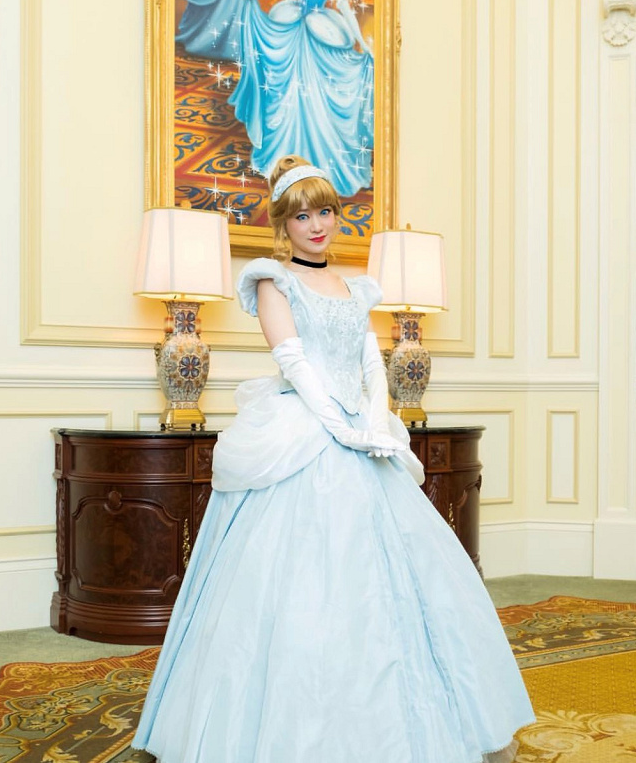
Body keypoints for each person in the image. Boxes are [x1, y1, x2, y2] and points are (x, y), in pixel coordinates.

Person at [131, 154, 535, 763]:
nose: (316, 225)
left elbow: (371, 361)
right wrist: (342, 429)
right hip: (306, 429)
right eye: (302, 216)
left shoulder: (354, 287)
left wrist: (375, 419)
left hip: (361, 430)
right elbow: (295, 364)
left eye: (325, 212)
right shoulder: (273, 281)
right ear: (283, 223)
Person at [228, 0, 374, 198]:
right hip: (296, 25)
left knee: (318, 99)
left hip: (320, 33)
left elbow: (344, 7)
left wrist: (361, 38)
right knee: (289, 95)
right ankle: (286, 157)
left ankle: (322, 163)